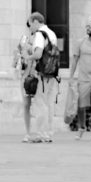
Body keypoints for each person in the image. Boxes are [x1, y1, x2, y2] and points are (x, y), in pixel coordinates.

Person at [26, 12, 59, 143]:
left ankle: (41, 133)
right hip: (52, 73)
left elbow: (38, 54)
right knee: (49, 102)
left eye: (30, 25)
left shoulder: (40, 34)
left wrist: (28, 56)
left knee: (40, 102)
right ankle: (48, 132)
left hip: (43, 73)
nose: (30, 29)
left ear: (35, 21)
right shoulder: (52, 33)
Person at [69, 19, 91, 138]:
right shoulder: (80, 42)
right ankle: (81, 127)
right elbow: (74, 60)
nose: (88, 28)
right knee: (81, 105)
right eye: (87, 26)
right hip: (83, 78)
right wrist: (71, 77)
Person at [13, 20, 36, 142]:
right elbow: (17, 57)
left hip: (37, 75)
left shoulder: (42, 39)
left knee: (38, 104)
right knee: (26, 104)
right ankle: (28, 132)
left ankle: (40, 132)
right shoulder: (24, 40)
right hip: (26, 76)